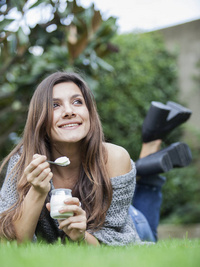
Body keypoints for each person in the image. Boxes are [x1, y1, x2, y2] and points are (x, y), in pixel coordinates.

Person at [0, 71, 192, 246]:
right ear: (39, 118)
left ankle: (151, 151)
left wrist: (81, 236)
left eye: (77, 102)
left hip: (132, 223)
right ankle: (151, 145)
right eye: (55, 105)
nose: (69, 111)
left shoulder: (114, 157)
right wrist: (37, 191)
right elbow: (16, 242)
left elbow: (121, 240)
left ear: (90, 112)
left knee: (150, 236)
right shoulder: (24, 161)